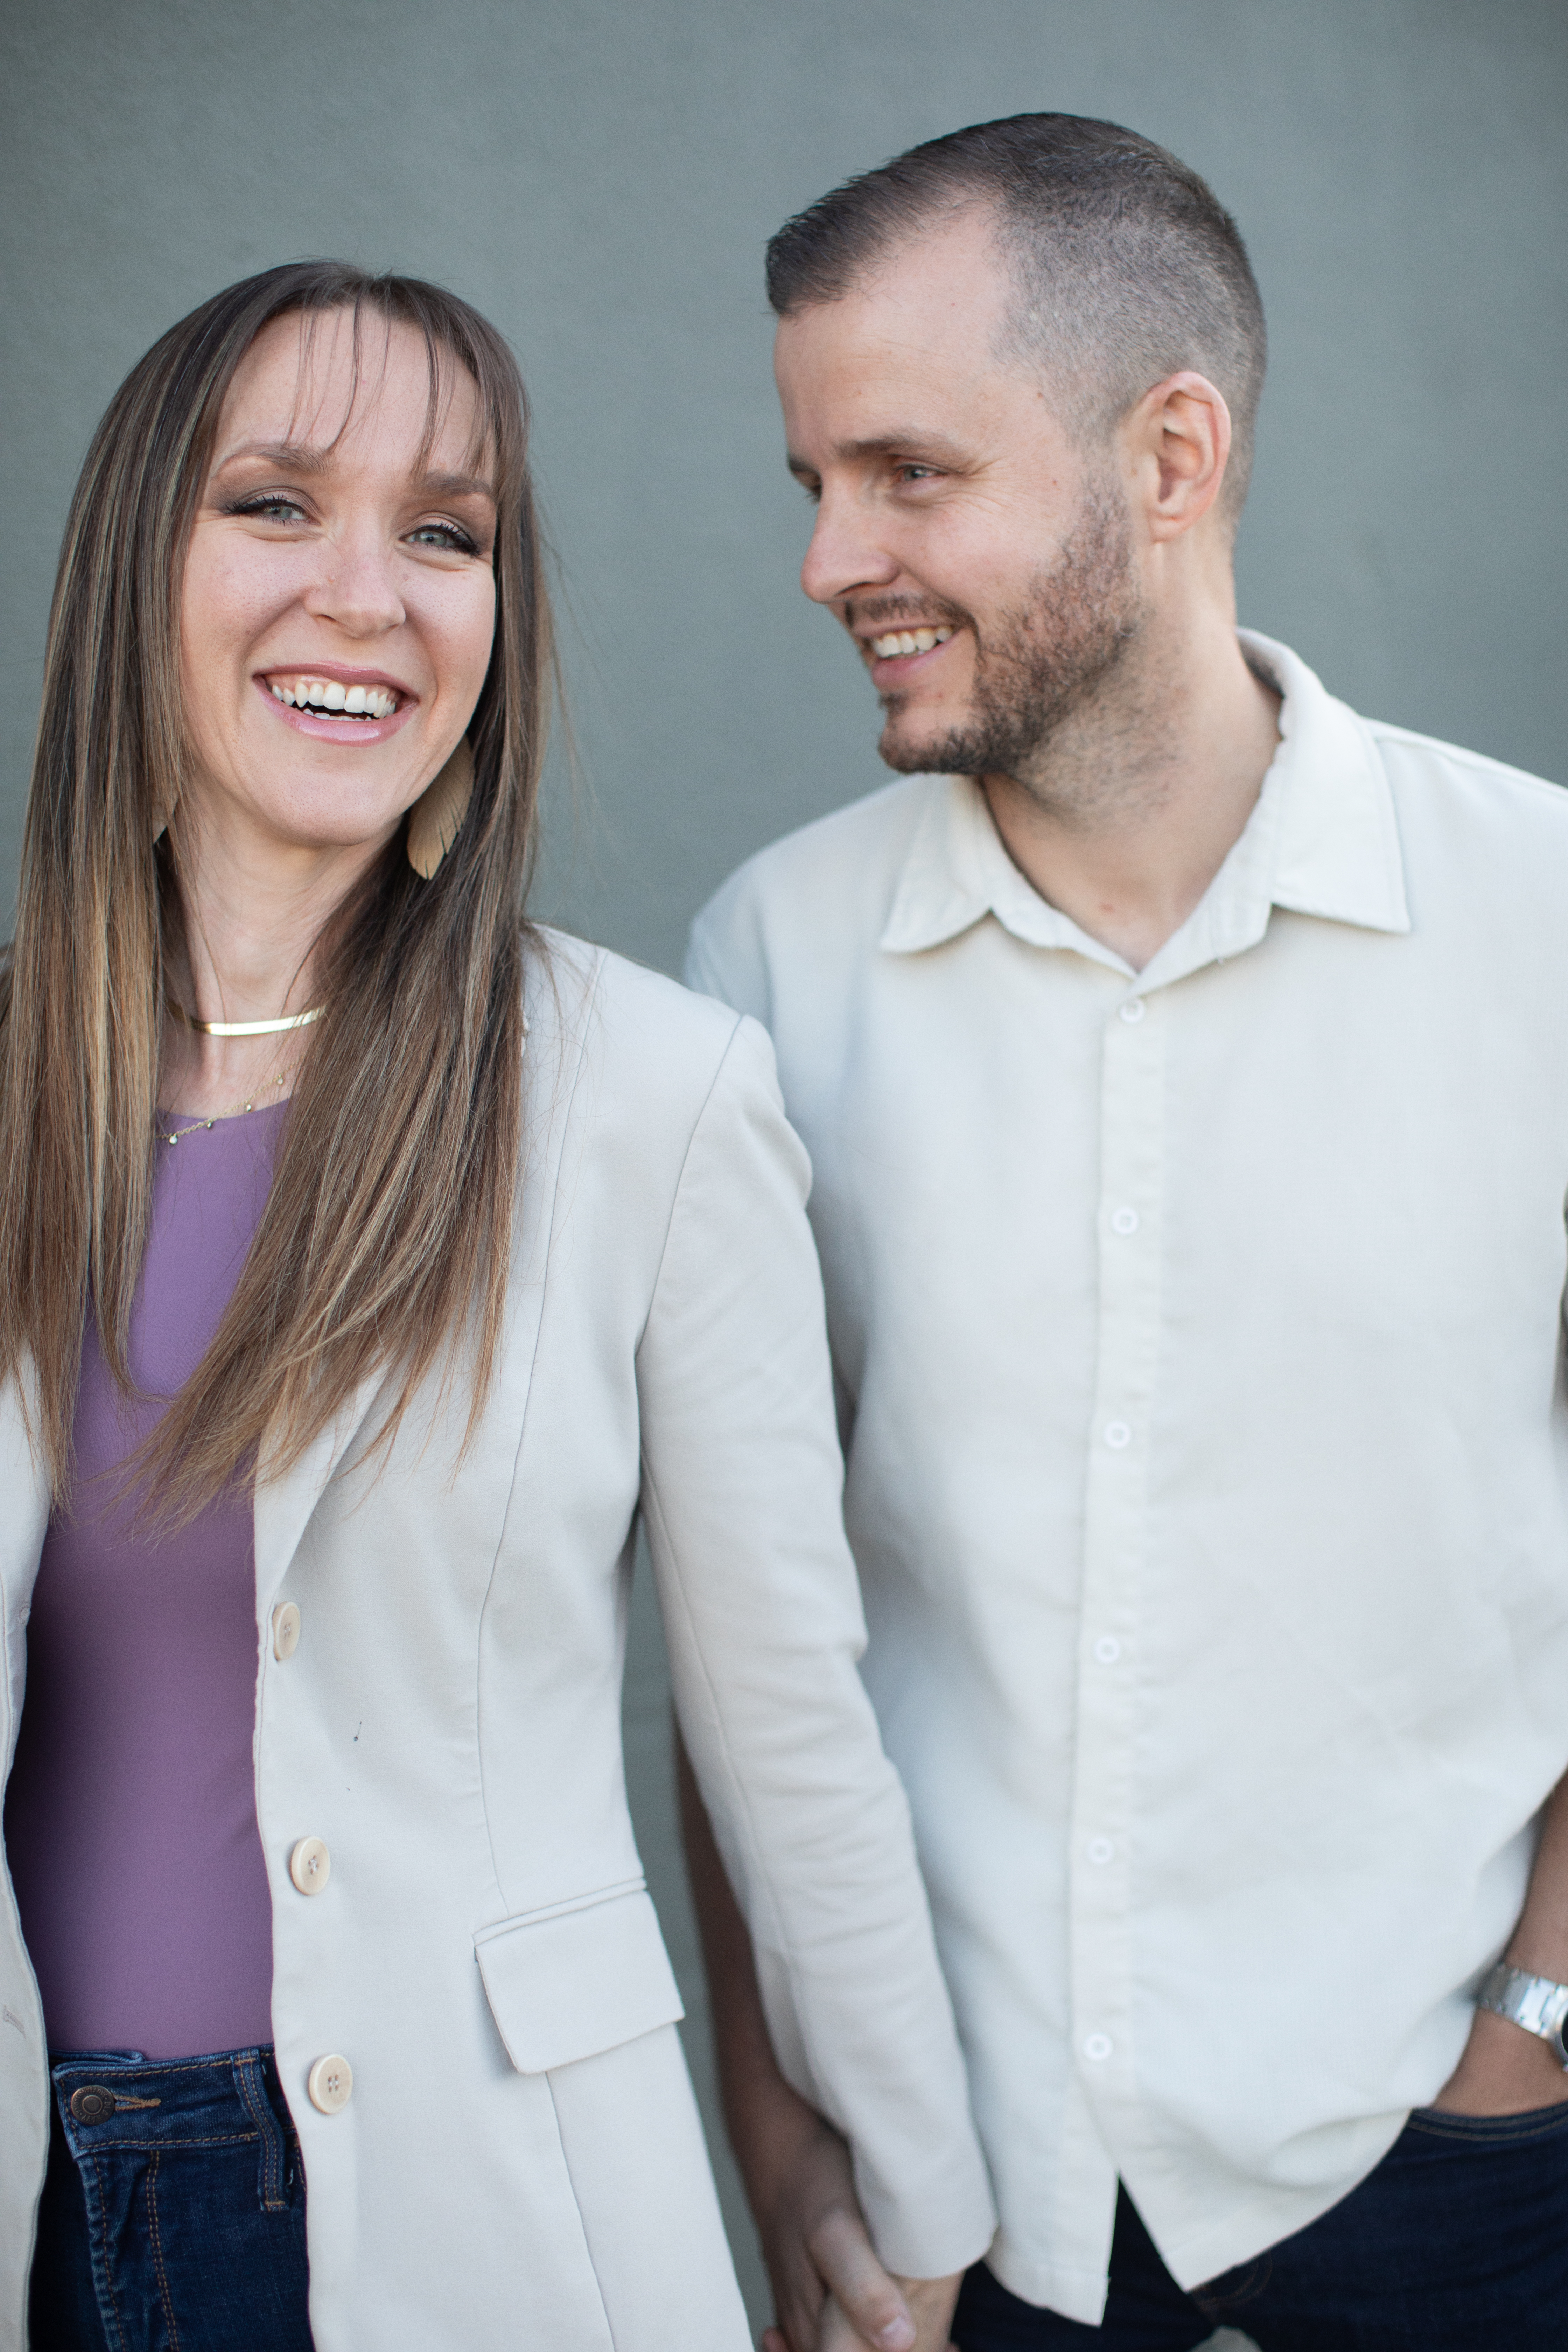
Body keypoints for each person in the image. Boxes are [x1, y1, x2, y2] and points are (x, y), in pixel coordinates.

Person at [0, 261, 995, 2352]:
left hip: (482, 2206)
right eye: (275, 503)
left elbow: (784, 1727)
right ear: (134, 564)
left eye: (446, 533)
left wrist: (912, 2203)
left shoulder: (646, 1096)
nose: (367, 592)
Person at [681, 114, 1568, 2352]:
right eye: (814, 483)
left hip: (1457, 2163)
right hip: (958, 2218)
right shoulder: (764, 969)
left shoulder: (1549, 924)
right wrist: (788, 2146)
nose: (828, 558)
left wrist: (1540, 2024)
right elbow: (743, 1637)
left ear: (1169, 454)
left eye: (906, 473)